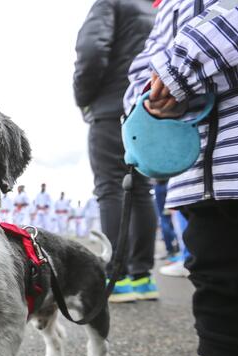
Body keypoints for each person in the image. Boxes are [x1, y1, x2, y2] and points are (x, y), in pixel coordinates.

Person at [125, 1, 238, 356]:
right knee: (216, 265)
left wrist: (179, 71)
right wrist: (146, 97)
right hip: (201, 166)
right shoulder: (166, 7)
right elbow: (146, 62)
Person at [74, 0, 159, 302]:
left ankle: (116, 276)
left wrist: (84, 98)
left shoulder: (111, 3)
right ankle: (143, 277)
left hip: (111, 105)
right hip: (148, 106)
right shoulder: (155, 10)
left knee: (111, 187)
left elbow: (91, 49)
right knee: (141, 189)